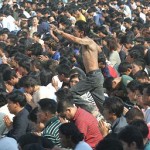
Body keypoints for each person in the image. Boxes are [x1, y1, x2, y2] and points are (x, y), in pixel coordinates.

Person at [51, 20, 104, 112]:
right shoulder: (91, 42)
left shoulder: (88, 41)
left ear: (81, 32)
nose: (74, 32)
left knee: (70, 94)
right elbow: (99, 50)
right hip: (95, 76)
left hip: (94, 76)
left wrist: (60, 32)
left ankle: (91, 109)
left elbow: (75, 39)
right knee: (102, 104)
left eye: (75, 30)